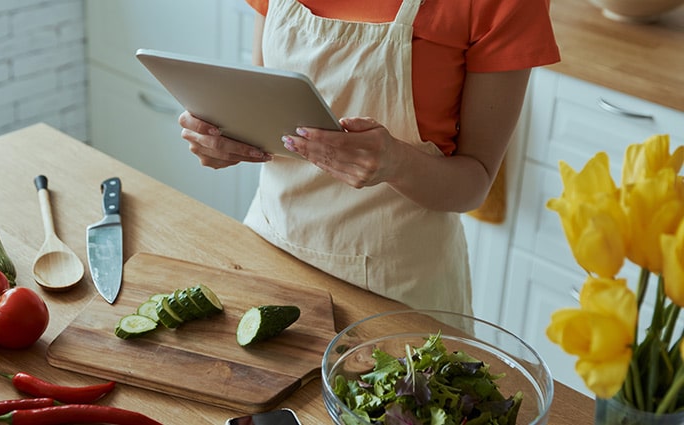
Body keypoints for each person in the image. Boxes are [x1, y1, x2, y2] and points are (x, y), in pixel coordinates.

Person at [178, 0, 560, 315]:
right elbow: (266, 107)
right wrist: (222, 139)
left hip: (394, 292)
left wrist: (397, 163)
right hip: (270, 251)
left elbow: (474, 183)